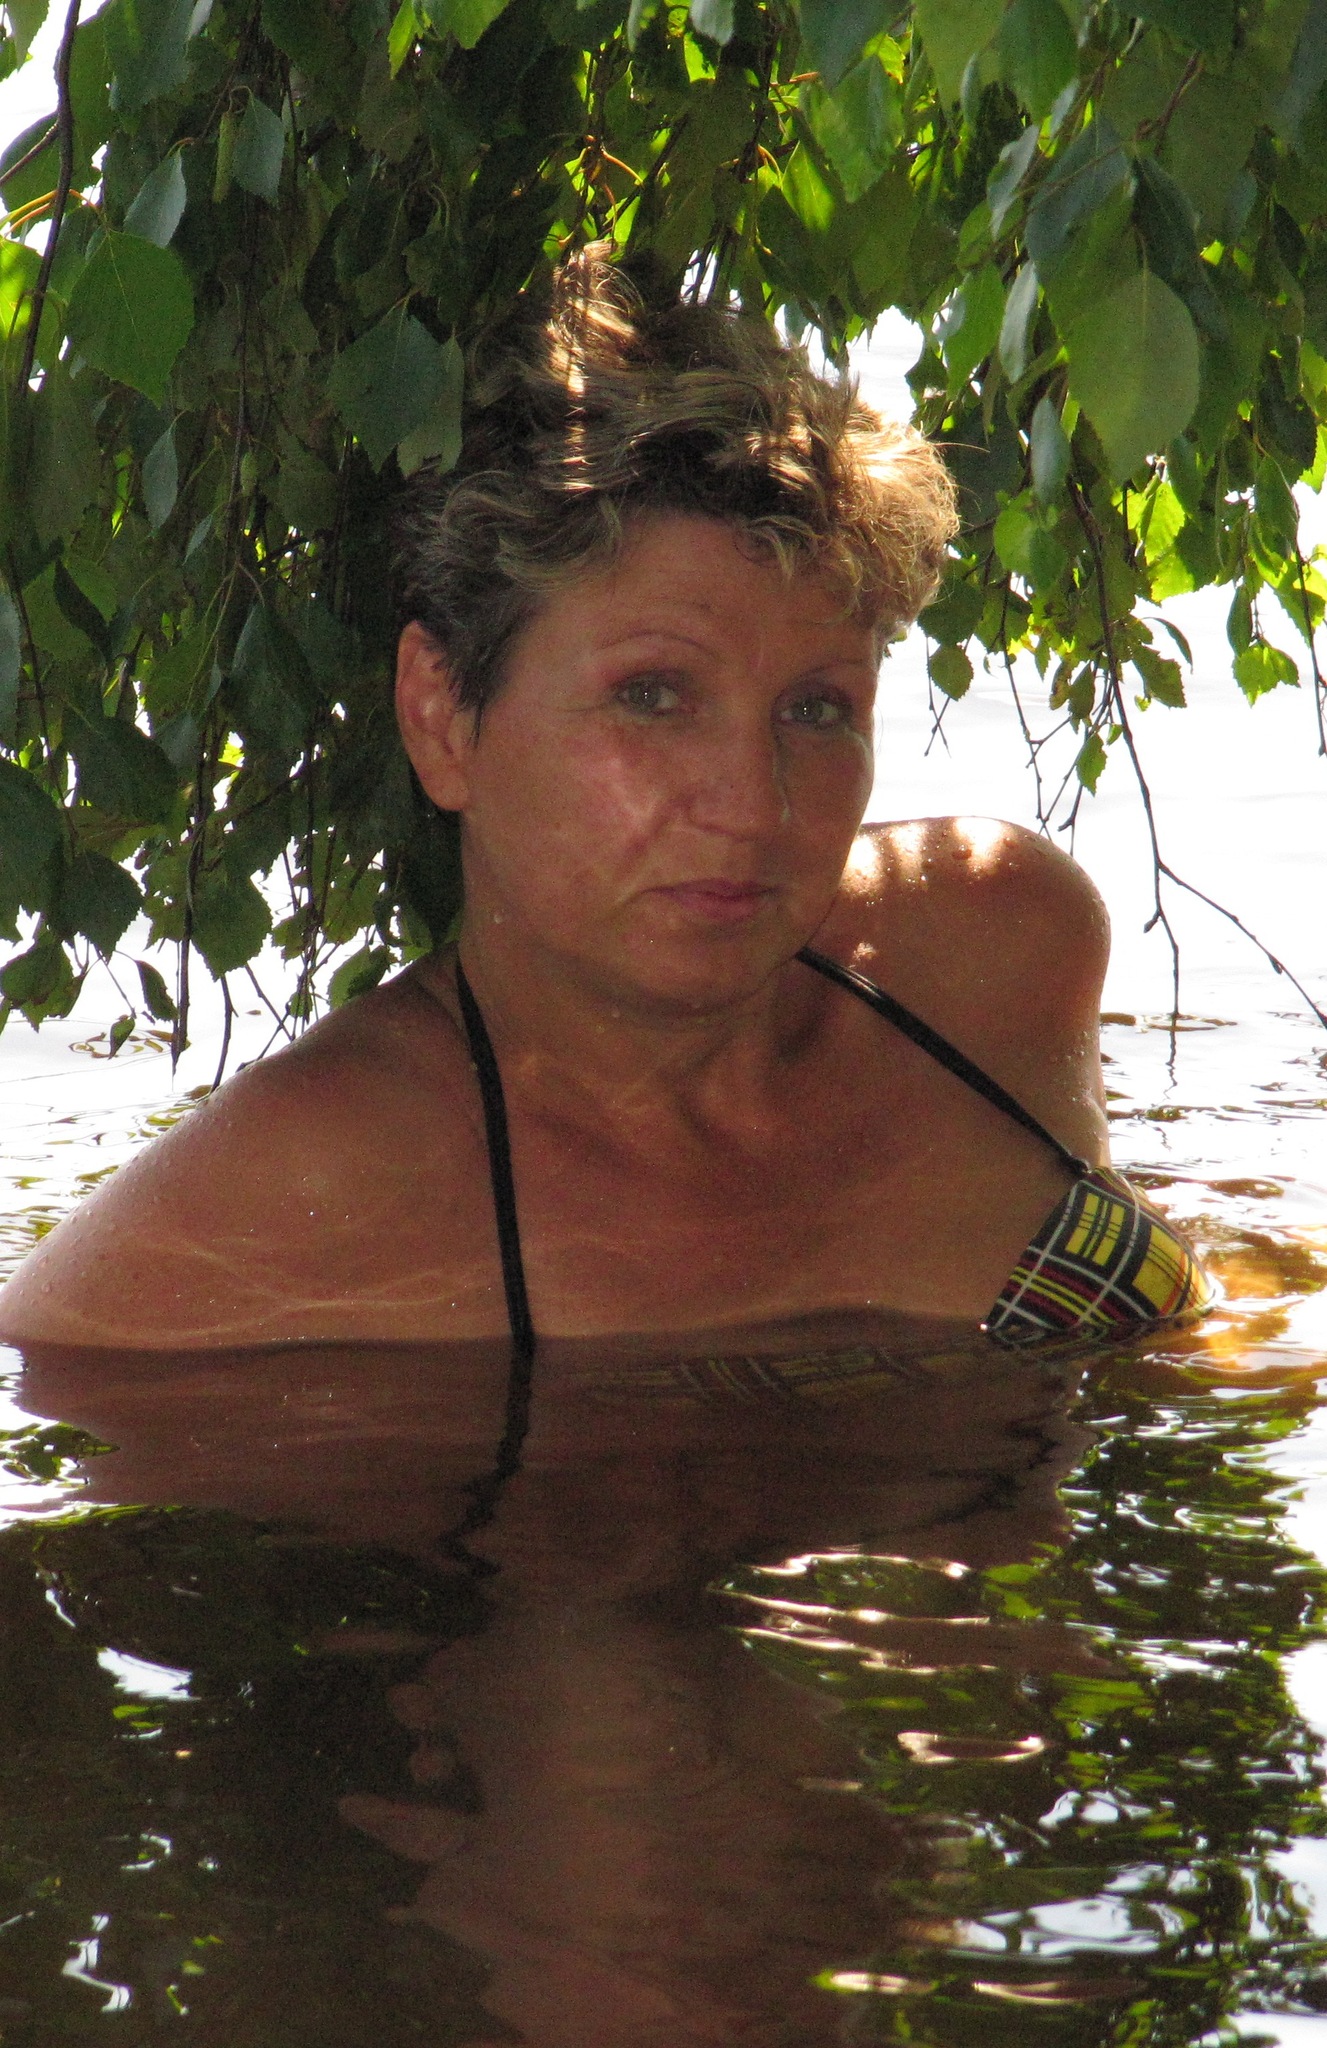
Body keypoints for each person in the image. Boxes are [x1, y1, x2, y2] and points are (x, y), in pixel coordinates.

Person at [0, 247, 1210, 1357]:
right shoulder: (268, 1215)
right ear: (442, 716)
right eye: (652, 695)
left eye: (815, 707)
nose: (751, 805)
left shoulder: (995, 945)